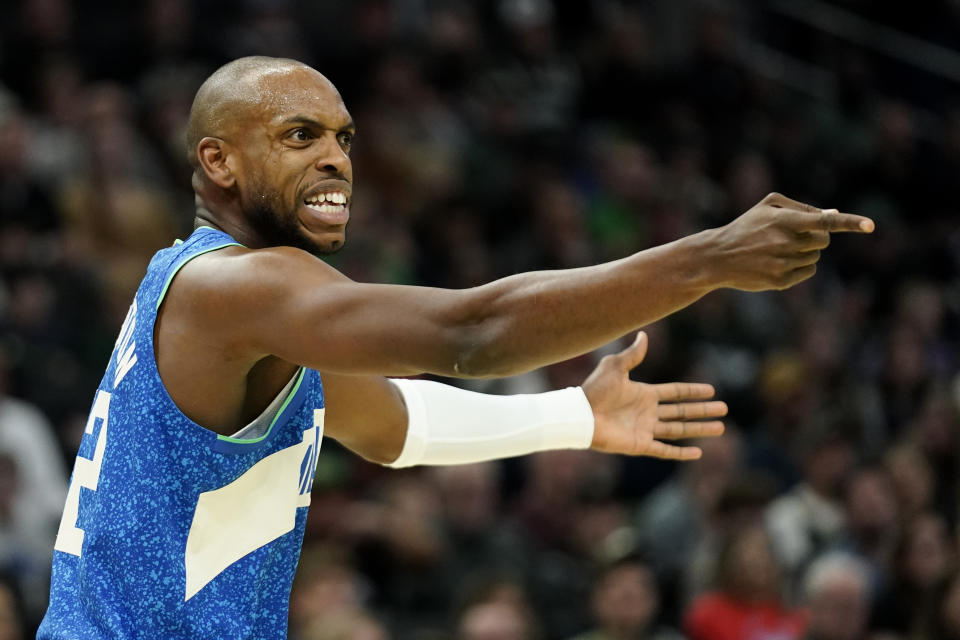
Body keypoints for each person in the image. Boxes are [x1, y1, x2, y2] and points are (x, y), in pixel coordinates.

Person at [37, 55, 875, 639]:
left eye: (344, 138)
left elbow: (388, 424)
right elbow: (469, 332)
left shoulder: (238, 308)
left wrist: (573, 417)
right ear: (216, 161)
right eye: (301, 137)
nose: (336, 160)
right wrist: (708, 258)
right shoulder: (239, 288)